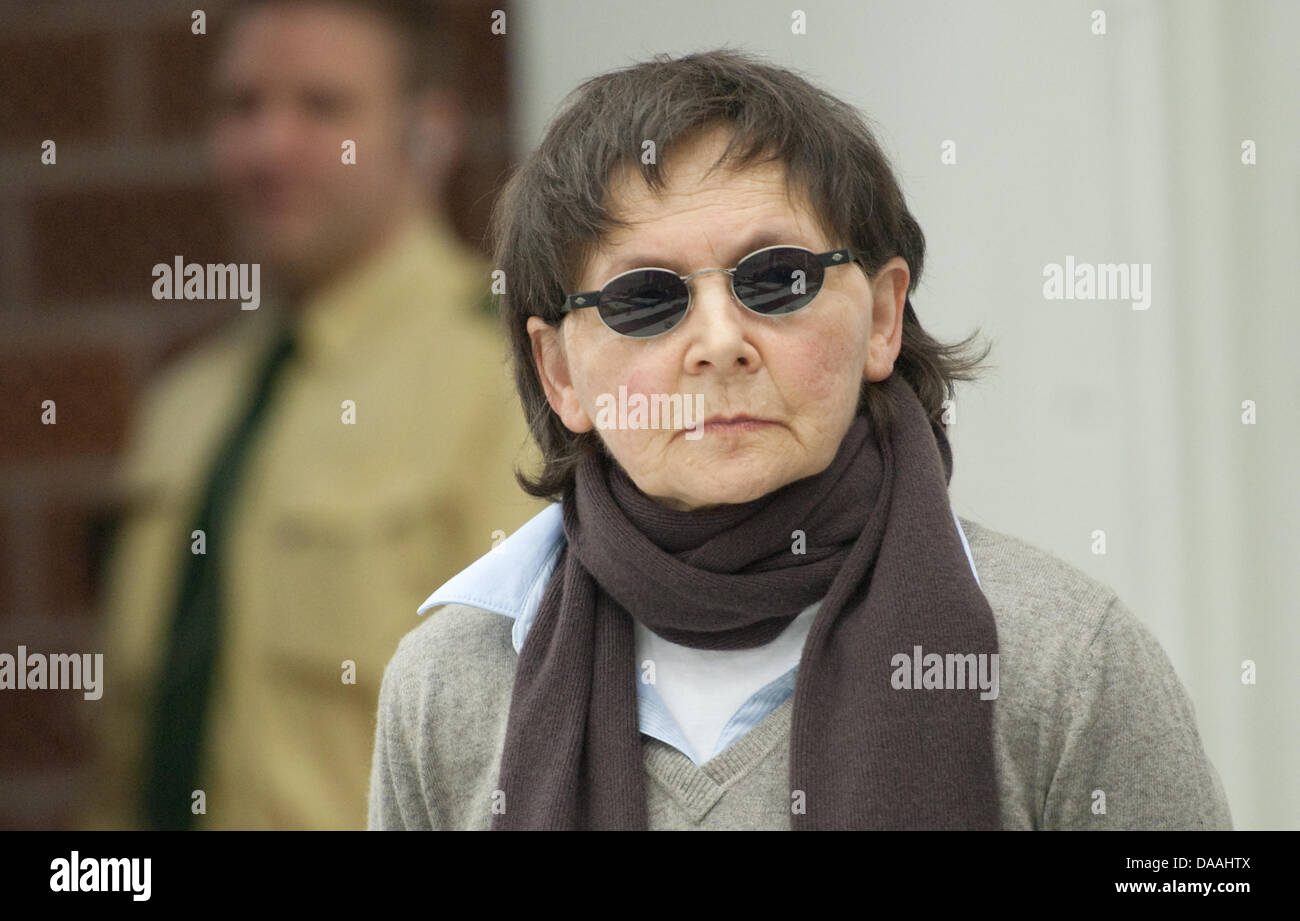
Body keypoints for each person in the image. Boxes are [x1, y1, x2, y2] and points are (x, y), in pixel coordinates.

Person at [366, 49, 1233, 830]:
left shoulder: (1065, 660)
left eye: (776, 279)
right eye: (644, 299)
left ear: (884, 316)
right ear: (559, 375)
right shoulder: (450, 683)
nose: (719, 340)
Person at [85, 0, 542, 830]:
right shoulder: (184, 404)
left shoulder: (509, 381)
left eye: (321, 106)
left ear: (428, 132)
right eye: (241, 107)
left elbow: (527, 755)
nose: (268, 147)